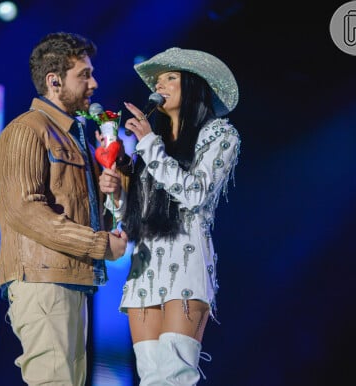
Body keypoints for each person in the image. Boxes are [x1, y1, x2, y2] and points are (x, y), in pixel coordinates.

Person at [98, 47, 241, 385]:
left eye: (170, 78)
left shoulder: (220, 135)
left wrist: (147, 142)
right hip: (145, 266)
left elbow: (195, 194)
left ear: (193, 84)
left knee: (175, 374)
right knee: (150, 376)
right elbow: (134, 216)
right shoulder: (152, 144)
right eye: (158, 80)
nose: (159, 85)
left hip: (187, 262)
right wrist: (117, 193)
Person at [0, 32, 128, 385]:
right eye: (83, 74)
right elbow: (25, 210)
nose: (94, 83)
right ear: (54, 81)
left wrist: (112, 183)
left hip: (69, 278)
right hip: (42, 279)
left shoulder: (75, 136)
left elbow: (86, 207)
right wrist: (99, 244)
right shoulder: (27, 129)